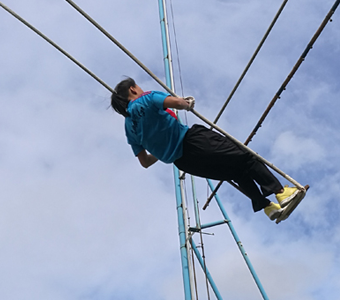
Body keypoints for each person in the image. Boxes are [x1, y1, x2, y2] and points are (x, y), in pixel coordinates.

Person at [111, 77, 305, 222]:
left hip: (184, 162)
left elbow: (145, 162)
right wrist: (187, 103)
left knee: (235, 172)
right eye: (137, 86)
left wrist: (161, 148)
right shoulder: (146, 99)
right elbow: (177, 103)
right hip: (192, 141)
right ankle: (281, 192)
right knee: (244, 156)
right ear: (133, 89)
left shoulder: (129, 128)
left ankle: (268, 208)